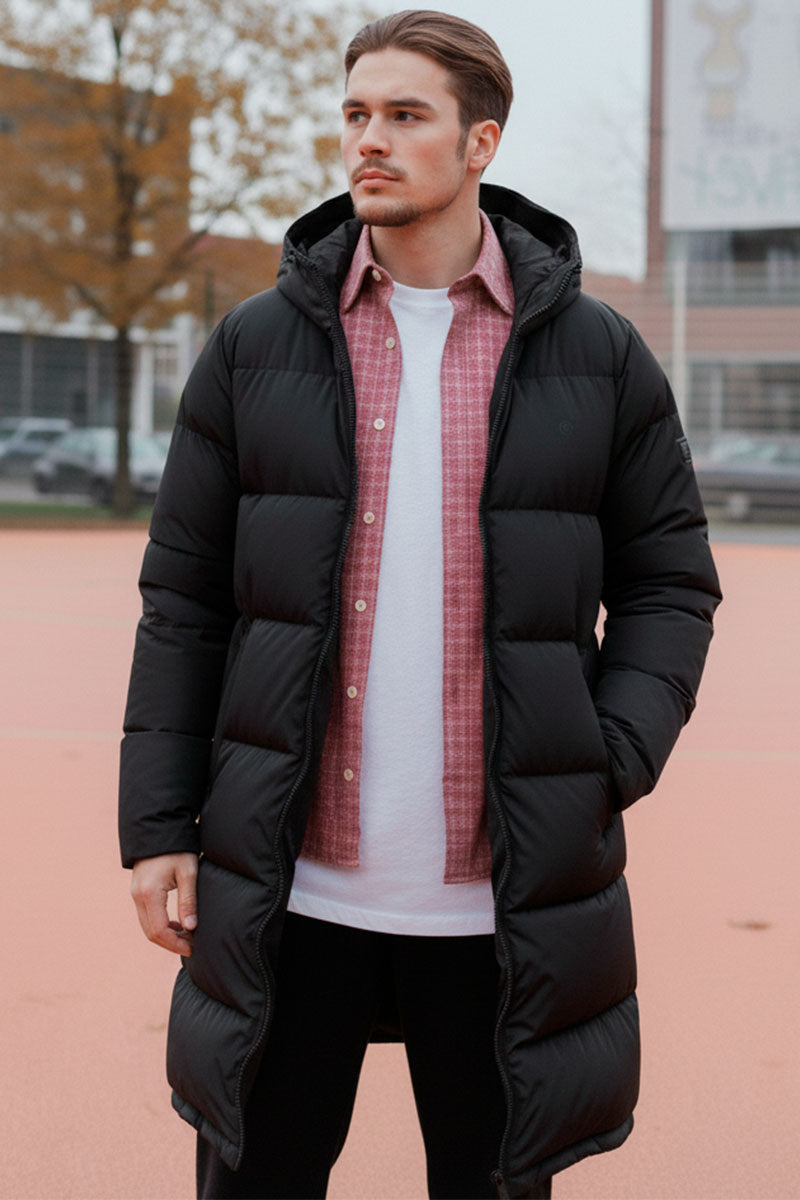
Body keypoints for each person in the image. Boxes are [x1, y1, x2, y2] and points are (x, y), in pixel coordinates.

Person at [119, 10, 722, 1200]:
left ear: (479, 141)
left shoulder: (596, 356)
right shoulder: (253, 346)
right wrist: (155, 827)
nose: (369, 141)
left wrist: (606, 756)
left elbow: (670, 580)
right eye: (355, 114)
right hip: (286, 888)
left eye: (404, 115)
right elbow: (182, 600)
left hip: (504, 900)